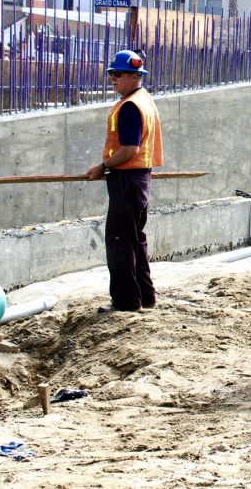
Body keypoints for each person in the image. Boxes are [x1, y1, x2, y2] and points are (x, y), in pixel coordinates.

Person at [84, 50, 164, 313]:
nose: (112, 79)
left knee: (120, 242)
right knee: (135, 240)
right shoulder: (144, 100)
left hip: (127, 179)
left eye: (117, 74)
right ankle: (145, 297)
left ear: (134, 76)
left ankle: (126, 302)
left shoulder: (130, 106)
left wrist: (103, 166)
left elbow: (129, 149)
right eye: (110, 74)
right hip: (139, 179)